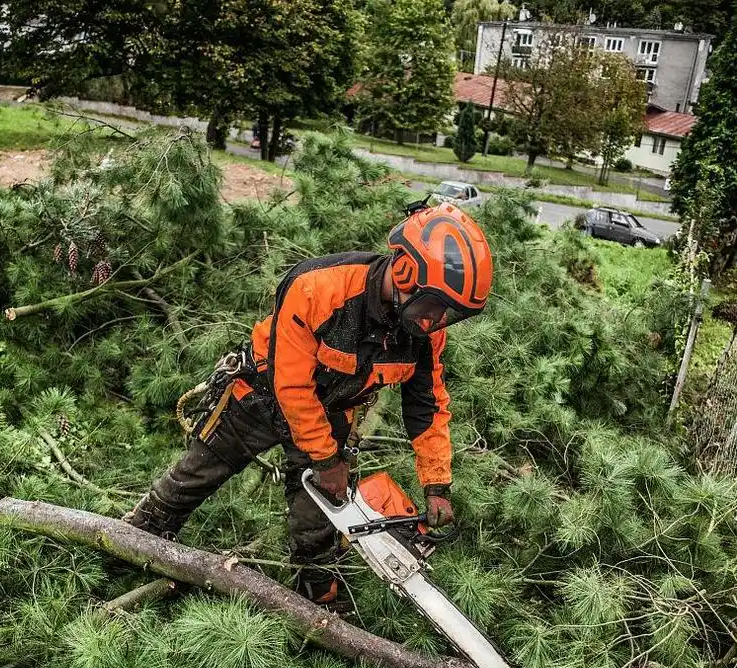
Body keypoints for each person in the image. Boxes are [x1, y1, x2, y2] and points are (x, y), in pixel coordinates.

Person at [123, 202, 493, 607]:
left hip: (332, 412)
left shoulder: (423, 330)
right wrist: (326, 461)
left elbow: (428, 406)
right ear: (405, 271)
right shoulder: (319, 288)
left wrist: (437, 485)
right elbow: (292, 387)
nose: (436, 321)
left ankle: (317, 606)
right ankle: (132, 544)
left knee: (317, 524)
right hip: (260, 395)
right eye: (434, 306)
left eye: (447, 315)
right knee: (194, 477)